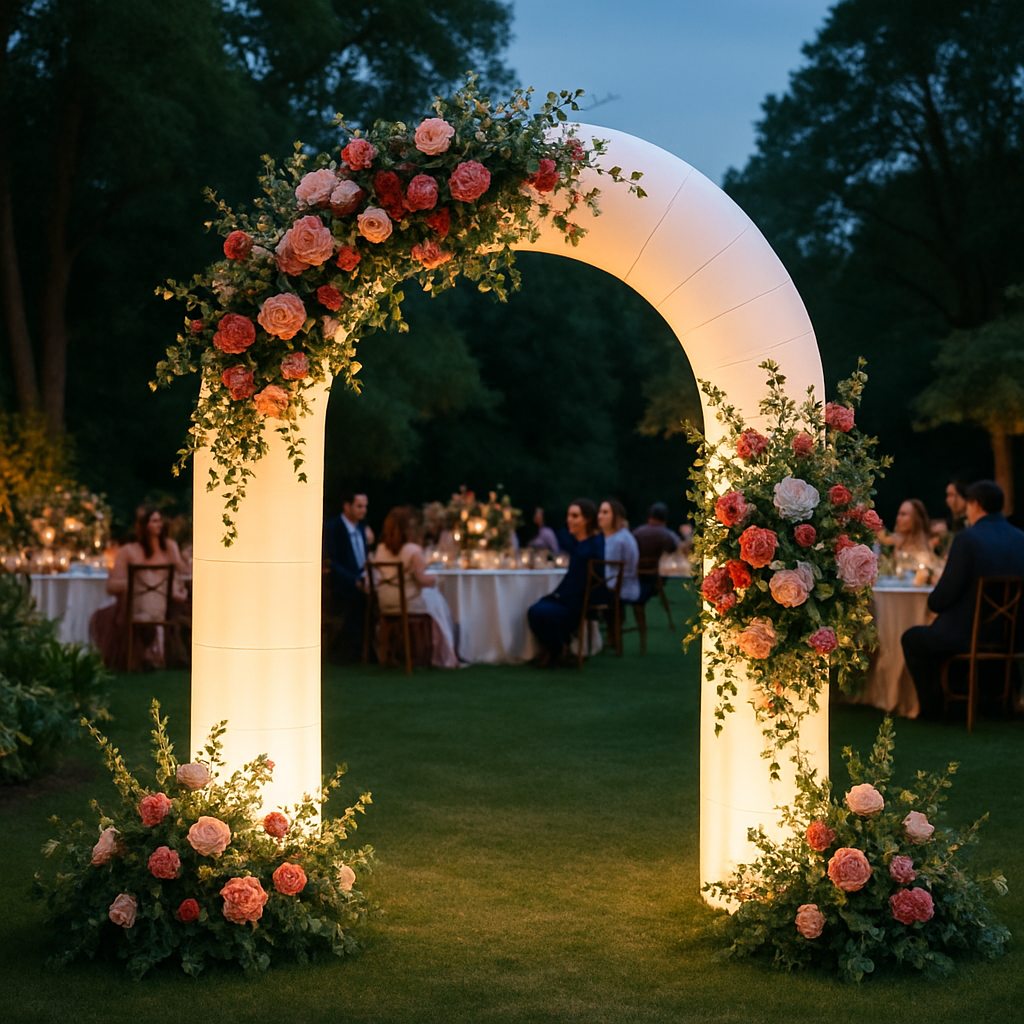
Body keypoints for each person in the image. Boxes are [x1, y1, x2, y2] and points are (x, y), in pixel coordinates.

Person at [901, 480, 1024, 718]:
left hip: (968, 635)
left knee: (913, 639)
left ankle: (934, 709)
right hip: (1013, 636)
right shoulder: (1021, 539)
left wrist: (934, 600)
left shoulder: (967, 539)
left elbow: (944, 595)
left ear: (975, 504)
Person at [89, 505, 191, 670]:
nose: (159, 525)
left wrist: (182, 559)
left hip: (163, 606)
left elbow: (184, 572)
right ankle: (147, 655)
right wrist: (138, 585)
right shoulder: (129, 551)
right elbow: (112, 586)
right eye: (154, 521)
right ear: (144, 525)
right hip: (141, 607)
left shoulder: (169, 548)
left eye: (160, 520)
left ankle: (156, 655)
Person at [371, 507, 458, 668]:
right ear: (407, 529)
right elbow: (422, 581)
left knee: (432, 598)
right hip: (407, 602)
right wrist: (436, 578)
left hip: (384, 601)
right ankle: (441, 650)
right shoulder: (413, 550)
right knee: (436, 600)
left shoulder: (381, 549)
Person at [527, 499, 604, 666]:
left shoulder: (589, 549)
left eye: (575, 516)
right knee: (540, 606)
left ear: (587, 520)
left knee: (538, 612)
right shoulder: (583, 545)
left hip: (579, 604)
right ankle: (556, 650)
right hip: (572, 599)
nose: (569, 520)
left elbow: (581, 584)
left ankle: (558, 649)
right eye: (569, 515)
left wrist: (559, 598)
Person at [323, 491, 370, 660]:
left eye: (365, 506)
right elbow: (331, 561)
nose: (363, 510)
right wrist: (353, 581)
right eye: (359, 506)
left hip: (362, 579)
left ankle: (367, 649)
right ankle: (347, 651)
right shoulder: (333, 528)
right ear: (347, 506)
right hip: (341, 584)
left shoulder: (362, 528)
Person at [633, 502, 680, 600]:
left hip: (636, 574)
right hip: (656, 576)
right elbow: (674, 548)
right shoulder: (667, 534)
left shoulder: (637, 532)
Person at [598, 499, 640, 602]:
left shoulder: (618, 539)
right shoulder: (619, 535)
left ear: (616, 516)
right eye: (600, 512)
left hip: (619, 589)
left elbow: (607, 567)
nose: (600, 516)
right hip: (622, 586)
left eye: (605, 512)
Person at [881, 499, 937, 568]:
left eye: (903, 514)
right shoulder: (890, 542)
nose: (898, 518)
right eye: (899, 514)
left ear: (916, 518)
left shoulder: (926, 547)